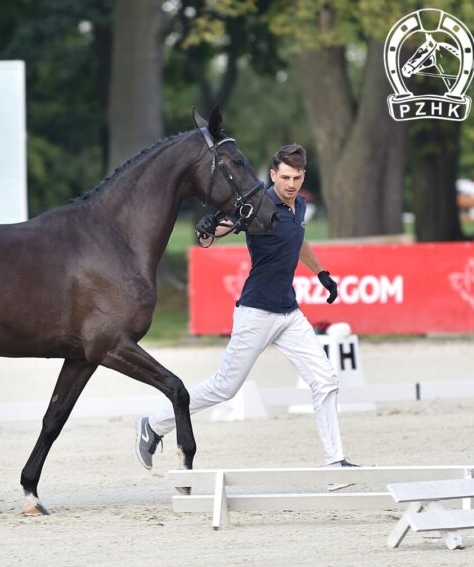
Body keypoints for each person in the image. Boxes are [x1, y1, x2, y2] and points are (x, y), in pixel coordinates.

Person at [135, 143, 357, 470]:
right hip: (256, 312)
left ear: (303, 176)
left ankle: (335, 461)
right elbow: (222, 228)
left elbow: (298, 240)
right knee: (225, 387)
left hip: (289, 314)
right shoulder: (258, 204)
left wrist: (321, 272)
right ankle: (154, 424)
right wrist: (209, 230)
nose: (291, 184)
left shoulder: (299, 206)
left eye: (296, 177)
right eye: (284, 177)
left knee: (326, 380)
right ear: (273, 175)